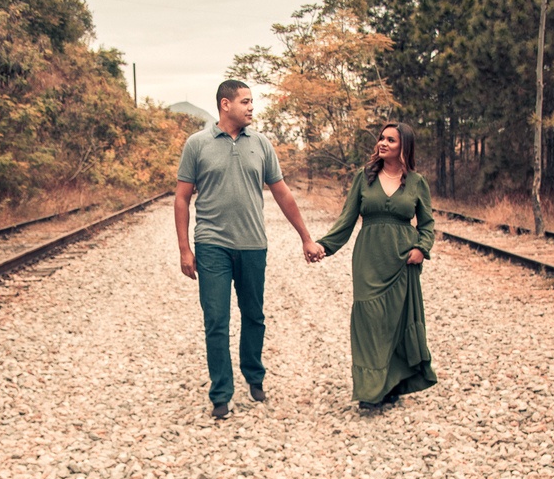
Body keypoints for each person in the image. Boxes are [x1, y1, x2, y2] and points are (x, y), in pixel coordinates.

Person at [175, 79, 323, 419]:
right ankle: (221, 395)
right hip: (212, 244)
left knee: (254, 315)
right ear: (225, 105)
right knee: (216, 319)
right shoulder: (196, 145)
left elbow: (282, 193)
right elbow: (182, 198)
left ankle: (254, 376)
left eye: (252, 101)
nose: (251, 107)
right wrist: (185, 249)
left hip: (254, 244)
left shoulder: (262, 144)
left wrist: (305, 236)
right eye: (245, 101)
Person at [314, 122, 437, 410]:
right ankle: (370, 389)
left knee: (397, 322)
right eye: (381, 138)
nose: (382, 143)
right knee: (369, 321)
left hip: (403, 260)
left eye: (390, 140)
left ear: (403, 146)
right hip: (369, 259)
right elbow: (346, 219)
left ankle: (392, 382)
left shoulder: (417, 182)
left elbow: (428, 224)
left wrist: (422, 248)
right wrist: (323, 246)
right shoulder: (364, 177)